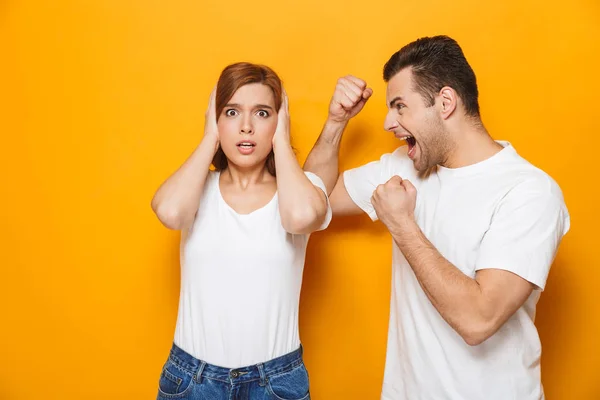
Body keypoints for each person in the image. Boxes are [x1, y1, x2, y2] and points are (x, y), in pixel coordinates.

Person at [304, 35, 570, 399]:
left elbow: (479, 320)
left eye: (400, 106)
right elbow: (309, 203)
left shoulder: (529, 192)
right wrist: (335, 123)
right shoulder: (404, 166)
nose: (386, 123)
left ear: (445, 102)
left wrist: (401, 224)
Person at [151, 62, 331, 400]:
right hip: (192, 380)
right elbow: (170, 212)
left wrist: (282, 140)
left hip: (275, 384)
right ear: (216, 119)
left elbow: (300, 217)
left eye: (262, 114)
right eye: (232, 112)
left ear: (279, 122)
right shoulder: (195, 190)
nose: (246, 127)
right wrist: (209, 137)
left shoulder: (302, 191)